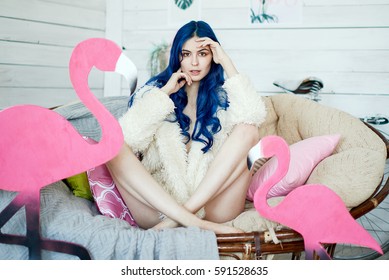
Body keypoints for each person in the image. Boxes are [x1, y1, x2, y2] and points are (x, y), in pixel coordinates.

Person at [106, 20, 267, 234]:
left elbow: (253, 115)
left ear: (213, 57)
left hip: (213, 206)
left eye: (202, 54)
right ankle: (192, 221)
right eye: (186, 54)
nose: (194, 62)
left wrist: (227, 62)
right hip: (160, 209)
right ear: (177, 57)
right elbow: (127, 137)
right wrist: (165, 93)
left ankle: (184, 217)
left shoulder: (224, 98)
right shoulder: (155, 93)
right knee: (112, 146)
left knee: (249, 130)